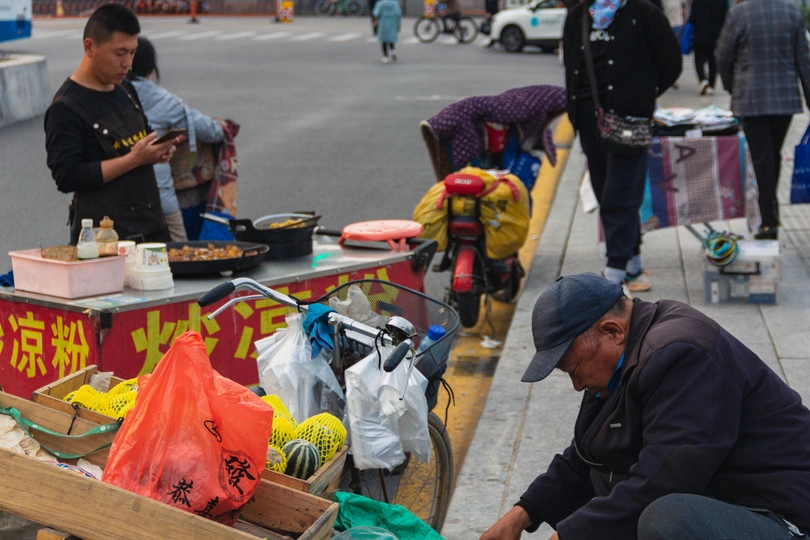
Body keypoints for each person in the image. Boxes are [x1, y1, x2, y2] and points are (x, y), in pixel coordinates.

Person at [481, 272, 810, 540]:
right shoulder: (626, 352)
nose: (577, 385)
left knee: (666, 517)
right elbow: (588, 453)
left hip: (779, 514)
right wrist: (522, 513)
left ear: (612, 331)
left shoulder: (681, 354)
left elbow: (666, 480)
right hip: (724, 492)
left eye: (574, 369)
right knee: (603, 478)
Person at [561, 0, 681, 293]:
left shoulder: (644, 13)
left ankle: (614, 271)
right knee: (604, 190)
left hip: (631, 118)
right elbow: (571, 64)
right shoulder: (579, 14)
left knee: (620, 194)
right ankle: (633, 262)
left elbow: (671, 63)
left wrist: (643, 95)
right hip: (590, 119)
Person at [44, 4, 176, 244]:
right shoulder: (65, 107)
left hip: (152, 228)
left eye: (133, 53)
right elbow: (67, 176)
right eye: (119, 53)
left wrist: (158, 150)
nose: (128, 63)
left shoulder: (126, 89)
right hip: (103, 243)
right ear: (89, 47)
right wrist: (134, 159)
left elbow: (142, 139)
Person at [715, 0, 810, 241]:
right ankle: (771, 213)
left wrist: (731, 87)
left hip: (751, 98)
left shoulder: (738, 13)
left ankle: (768, 220)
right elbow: (804, 60)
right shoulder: (791, 12)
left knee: (763, 157)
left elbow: (723, 56)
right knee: (772, 154)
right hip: (784, 99)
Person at [128, 36, 225, 242]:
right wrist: (222, 126)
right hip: (159, 199)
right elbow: (209, 131)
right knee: (178, 254)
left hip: (116, 200)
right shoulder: (163, 100)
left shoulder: (108, 95)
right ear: (151, 69)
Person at [688, 0, 727, 95]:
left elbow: (692, 18)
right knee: (713, 62)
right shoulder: (722, 1)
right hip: (716, 36)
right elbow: (725, 17)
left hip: (700, 35)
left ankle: (703, 81)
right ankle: (711, 85)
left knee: (699, 60)